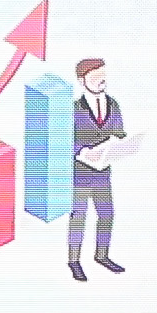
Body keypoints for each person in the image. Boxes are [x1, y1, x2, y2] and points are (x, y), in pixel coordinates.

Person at [67, 58, 130, 280]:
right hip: (80, 174)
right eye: (95, 77)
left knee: (107, 215)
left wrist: (120, 144)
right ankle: (74, 261)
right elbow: (65, 140)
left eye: (103, 75)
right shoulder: (74, 108)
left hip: (103, 173)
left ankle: (102, 255)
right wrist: (83, 152)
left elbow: (120, 132)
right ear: (81, 80)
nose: (101, 80)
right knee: (78, 217)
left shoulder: (113, 104)